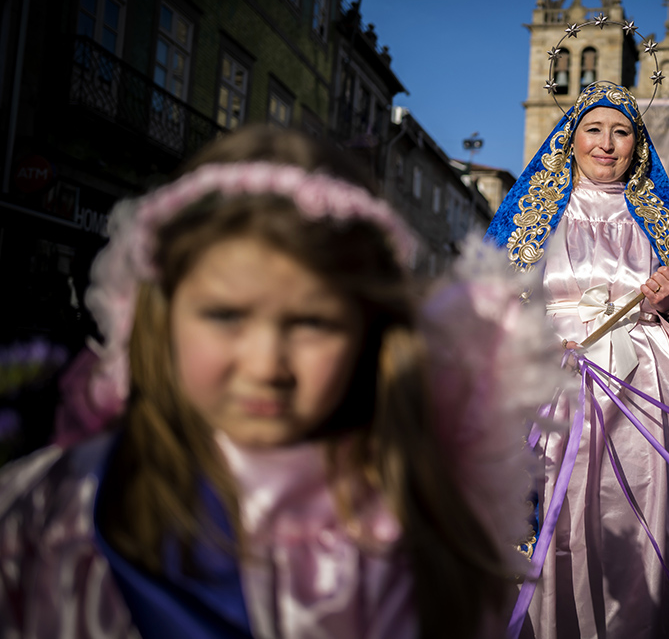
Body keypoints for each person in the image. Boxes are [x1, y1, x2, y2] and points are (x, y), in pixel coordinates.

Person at [0, 126, 556, 639]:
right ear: (160, 313)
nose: (267, 366)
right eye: (225, 316)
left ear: (371, 332)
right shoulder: (55, 508)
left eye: (312, 323)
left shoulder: (403, 518)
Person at [486, 81, 669, 639]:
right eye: (594, 130)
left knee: (645, 511)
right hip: (556, 382)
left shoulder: (662, 218)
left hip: (646, 385)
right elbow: (494, 302)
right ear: (570, 139)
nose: (607, 144)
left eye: (621, 132)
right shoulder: (533, 213)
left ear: (637, 144)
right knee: (564, 510)